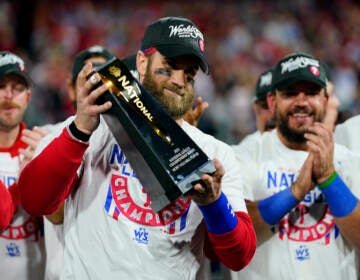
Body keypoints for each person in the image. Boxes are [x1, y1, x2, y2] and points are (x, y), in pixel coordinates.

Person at [18, 16, 256, 279]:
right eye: (169, 67)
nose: (179, 80)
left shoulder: (215, 153)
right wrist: (78, 131)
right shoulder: (93, 126)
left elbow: (239, 256)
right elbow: (34, 200)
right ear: (142, 63)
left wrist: (214, 204)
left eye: (189, 74)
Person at [230, 52, 360, 280]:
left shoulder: (348, 160)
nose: (301, 102)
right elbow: (232, 233)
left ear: (325, 101)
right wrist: (295, 191)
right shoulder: (245, 155)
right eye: (290, 93)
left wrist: (329, 178)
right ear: (272, 101)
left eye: (311, 93)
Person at [41, 45, 114, 280]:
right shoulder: (48, 139)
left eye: (105, 77)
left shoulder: (134, 145)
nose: (97, 86)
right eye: (88, 78)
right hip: (65, 272)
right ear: (71, 89)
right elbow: (55, 212)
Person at [0, 51, 48, 279]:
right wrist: (24, 183)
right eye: (1, 86)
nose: (8, 95)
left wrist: (49, 169)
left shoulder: (41, 147)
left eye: (17, 88)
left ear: (27, 98)